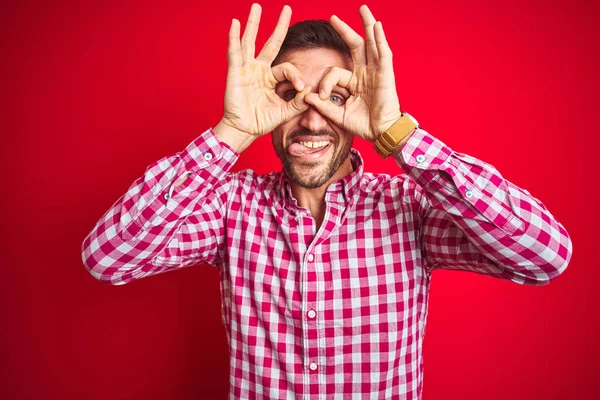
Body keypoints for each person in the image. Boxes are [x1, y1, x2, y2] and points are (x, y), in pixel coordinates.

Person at [81, 3, 572, 399]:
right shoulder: (231, 207)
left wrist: (398, 133)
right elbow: (107, 259)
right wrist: (229, 132)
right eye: (290, 93)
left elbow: (545, 256)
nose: (311, 119)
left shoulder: (409, 206)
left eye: (333, 97)